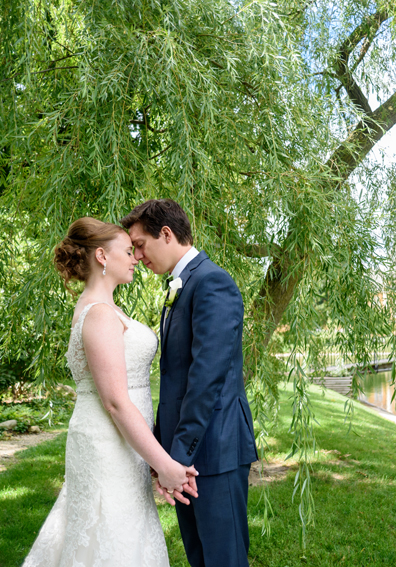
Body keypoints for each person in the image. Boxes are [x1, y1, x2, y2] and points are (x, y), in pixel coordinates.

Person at [22, 217, 198, 567]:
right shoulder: (100, 314)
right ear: (102, 256)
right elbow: (116, 402)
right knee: (111, 532)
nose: (135, 258)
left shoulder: (104, 308)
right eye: (127, 250)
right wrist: (163, 463)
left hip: (121, 443)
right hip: (107, 442)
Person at [121, 200, 259, 567]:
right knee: (200, 558)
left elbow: (205, 380)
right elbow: (175, 378)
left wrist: (176, 457)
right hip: (184, 453)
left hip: (214, 450)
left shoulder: (212, 282)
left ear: (165, 234)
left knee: (223, 559)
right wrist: (162, 453)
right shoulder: (183, 284)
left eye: (138, 244)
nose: (136, 255)